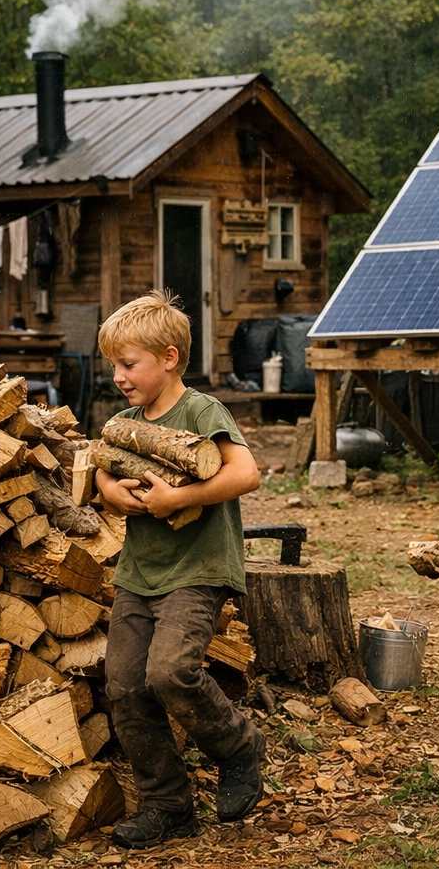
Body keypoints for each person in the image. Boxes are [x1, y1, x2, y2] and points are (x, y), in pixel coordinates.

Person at [94, 290, 262, 849]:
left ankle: (239, 747)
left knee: (170, 673)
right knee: (125, 687)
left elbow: (245, 474)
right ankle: (168, 805)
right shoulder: (123, 422)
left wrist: (177, 499)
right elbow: (100, 471)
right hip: (138, 574)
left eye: (128, 364)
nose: (119, 376)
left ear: (168, 357)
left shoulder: (201, 411)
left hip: (198, 569)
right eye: (113, 365)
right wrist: (114, 491)